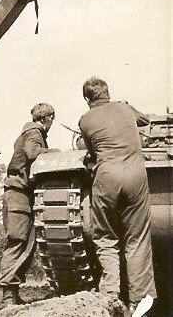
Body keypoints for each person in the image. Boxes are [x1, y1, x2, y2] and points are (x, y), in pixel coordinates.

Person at [78, 77, 156, 315]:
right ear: (108, 92)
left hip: (107, 177)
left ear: (87, 98)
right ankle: (139, 304)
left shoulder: (85, 120)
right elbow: (146, 119)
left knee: (105, 237)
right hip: (135, 175)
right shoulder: (125, 108)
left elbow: (91, 151)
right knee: (138, 239)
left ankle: (110, 296)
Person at [0, 102, 58, 308]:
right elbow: (33, 152)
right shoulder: (34, 132)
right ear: (48, 118)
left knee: (26, 244)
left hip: (22, 194)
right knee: (17, 241)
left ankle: (12, 293)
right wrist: (54, 151)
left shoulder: (31, 131)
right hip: (18, 194)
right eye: (51, 119)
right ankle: (7, 295)